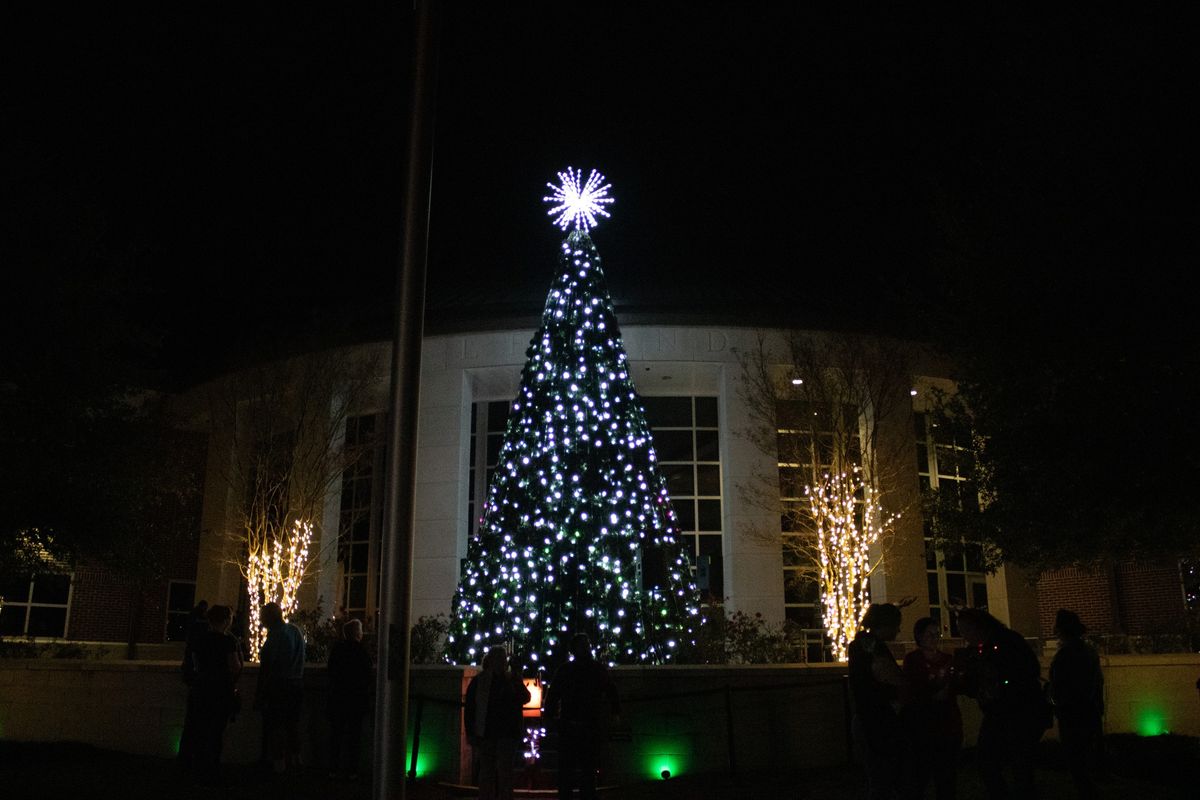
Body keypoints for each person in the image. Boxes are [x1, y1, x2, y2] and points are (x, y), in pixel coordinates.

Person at [955, 608, 1048, 800]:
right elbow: (972, 684)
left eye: (965, 630)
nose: (963, 636)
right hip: (997, 714)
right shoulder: (976, 651)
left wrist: (1000, 683)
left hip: (1020, 713)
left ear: (978, 626)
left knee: (1019, 765)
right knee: (987, 761)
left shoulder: (1007, 642)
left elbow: (1028, 671)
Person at [543, 634, 620, 800]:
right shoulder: (594, 669)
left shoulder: (571, 669)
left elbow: (553, 695)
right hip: (580, 724)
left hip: (580, 724)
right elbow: (553, 695)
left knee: (577, 769)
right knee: (580, 768)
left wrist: (550, 716)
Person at [848, 603, 907, 800]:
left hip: (866, 718)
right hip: (878, 721)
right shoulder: (874, 649)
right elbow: (890, 679)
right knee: (884, 777)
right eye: (896, 625)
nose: (898, 630)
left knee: (877, 777)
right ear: (887, 624)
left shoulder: (858, 646)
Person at [901, 617, 962, 800]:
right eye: (930, 634)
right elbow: (916, 687)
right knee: (921, 774)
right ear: (919, 636)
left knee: (946, 777)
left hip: (947, 722)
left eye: (937, 634)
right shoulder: (913, 660)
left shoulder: (947, 659)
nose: (935, 638)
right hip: (924, 724)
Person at [1049, 609, 1103, 799]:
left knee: (1076, 760)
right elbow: (1097, 682)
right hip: (1090, 711)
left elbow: (1060, 686)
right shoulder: (1089, 651)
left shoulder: (1065, 654)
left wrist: (1055, 701)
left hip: (1072, 713)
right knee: (1084, 758)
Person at [464, 645, 531, 800]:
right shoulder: (483, 681)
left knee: (498, 772)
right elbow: (470, 709)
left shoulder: (485, 680)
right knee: (494, 771)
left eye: (503, 659)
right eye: (500, 659)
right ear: (492, 660)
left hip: (499, 733)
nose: (502, 662)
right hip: (493, 733)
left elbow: (524, 697)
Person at [189, 604, 243, 784]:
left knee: (201, 728)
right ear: (227, 620)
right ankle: (213, 768)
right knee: (217, 730)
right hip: (221, 689)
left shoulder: (199, 639)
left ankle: (198, 767)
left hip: (202, 687)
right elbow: (235, 666)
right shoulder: (228, 642)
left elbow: (196, 665)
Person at [255, 601, 306, 774]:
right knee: (293, 724)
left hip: (279, 685)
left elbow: (269, 665)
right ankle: (296, 759)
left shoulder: (276, 635)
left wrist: (261, 691)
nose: (260, 620)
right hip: (297, 684)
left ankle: (279, 763)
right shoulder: (295, 631)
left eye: (262, 617)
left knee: (276, 725)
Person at [327, 618, 372, 781]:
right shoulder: (362, 651)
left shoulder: (338, 650)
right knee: (355, 736)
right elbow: (368, 674)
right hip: (356, 699)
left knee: (336, 735)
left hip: (339, 697)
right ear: (357, 634)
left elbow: (331, 671)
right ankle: (352, 770)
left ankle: (333, 768)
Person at [177, 599, 210, 769]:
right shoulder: (204, 637)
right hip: (201, 684)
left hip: (195, 682)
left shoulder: (193, 638)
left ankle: (186, 758)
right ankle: (196, 759)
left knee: (191, 722)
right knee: (199, 723)